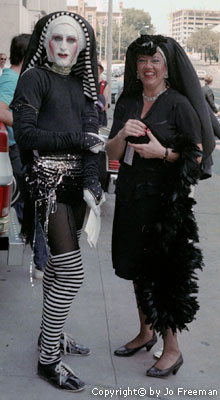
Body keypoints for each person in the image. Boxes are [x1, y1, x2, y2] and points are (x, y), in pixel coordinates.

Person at [106, 31, 215, 378]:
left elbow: (197, 156)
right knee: (137, 270)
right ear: (134, 67)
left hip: (165, 205)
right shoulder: (127, 102)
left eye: (155, 61)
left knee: (164, 276)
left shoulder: (179, 104)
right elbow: (110, 153)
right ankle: (145, 332)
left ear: (167, 68)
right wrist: (122, 135)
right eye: (142, 61)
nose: (148, 66)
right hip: (130, 196)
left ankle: (173, 350)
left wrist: (162, 153)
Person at [11, 11, 104, 392]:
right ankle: (49, 358)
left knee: (58, 271)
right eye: (57, 39)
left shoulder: (83, 85)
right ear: (45, 42)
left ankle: (52, 334)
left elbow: (92, 135)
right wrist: (78, 142)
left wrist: (94, 178)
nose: (64, 46)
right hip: (47, 184)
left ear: (81, 47)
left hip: (75, 188)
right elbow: (27, 134)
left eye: (71, 40)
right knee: (71, 272)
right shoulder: (34, 78)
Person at [0, 34, 48, 279]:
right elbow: (1, 108)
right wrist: (27, 128)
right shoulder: (13, 79)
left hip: (20, 150)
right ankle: (42, 262)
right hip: (19, 150)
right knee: (39, 203)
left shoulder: (15, 77)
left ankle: (41, 258)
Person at [97, 61, 109, 126]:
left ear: (101, 70)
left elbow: (105, 103)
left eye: (98, 68)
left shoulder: (104, 84)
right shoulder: (87, 83)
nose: (96, 70)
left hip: (100, 116)